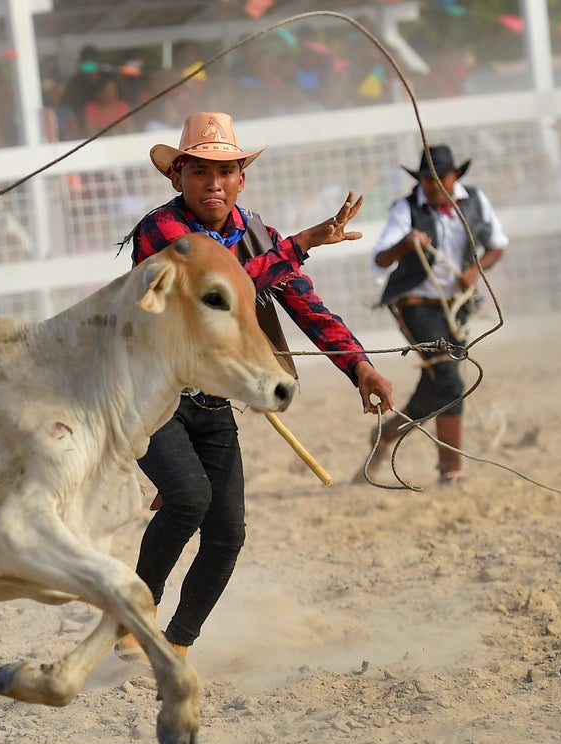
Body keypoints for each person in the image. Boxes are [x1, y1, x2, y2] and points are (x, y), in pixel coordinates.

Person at [115, 111, 395, 660]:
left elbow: (308, 308)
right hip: (153, 393)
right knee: (189, 499)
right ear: (178, 180)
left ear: (242, 177)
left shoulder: (261, 237)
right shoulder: (161, 230)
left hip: (215, 397)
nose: (212, 184)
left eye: (224, 172)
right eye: (199, 172)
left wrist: (358, 367)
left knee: (227, 534)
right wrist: (304, 241)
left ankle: (176, 646)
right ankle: (133, 615)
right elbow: (213, 287)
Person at [362, 144, 508, 485]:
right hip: (416, 307)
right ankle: (451, 471)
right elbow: (380, 260)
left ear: (454, 176)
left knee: (438, 384)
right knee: (451, 382)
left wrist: (475, 271)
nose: (433, 185)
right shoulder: (406, 208)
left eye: (439, 177)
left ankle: (389, 433)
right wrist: (405, 244)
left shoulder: (474, 200)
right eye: (427, 179)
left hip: (456, 308)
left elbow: (497, 244)